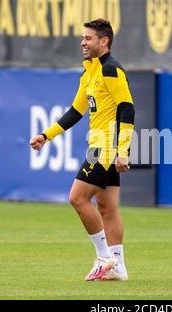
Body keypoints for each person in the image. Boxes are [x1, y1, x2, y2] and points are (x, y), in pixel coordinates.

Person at [30, 18, 134, 281]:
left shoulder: (111, 69)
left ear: (104, 41)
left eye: (88, 38)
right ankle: (118, 267)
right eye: (83, 38)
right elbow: (76, 111)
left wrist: (124, 150)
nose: (83, 42)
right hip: (100, 146)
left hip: (105, 147)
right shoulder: (89, 72)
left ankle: (104, 258)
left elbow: (127, 107)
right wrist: (46, 135)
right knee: (107, 208)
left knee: (77, 198)